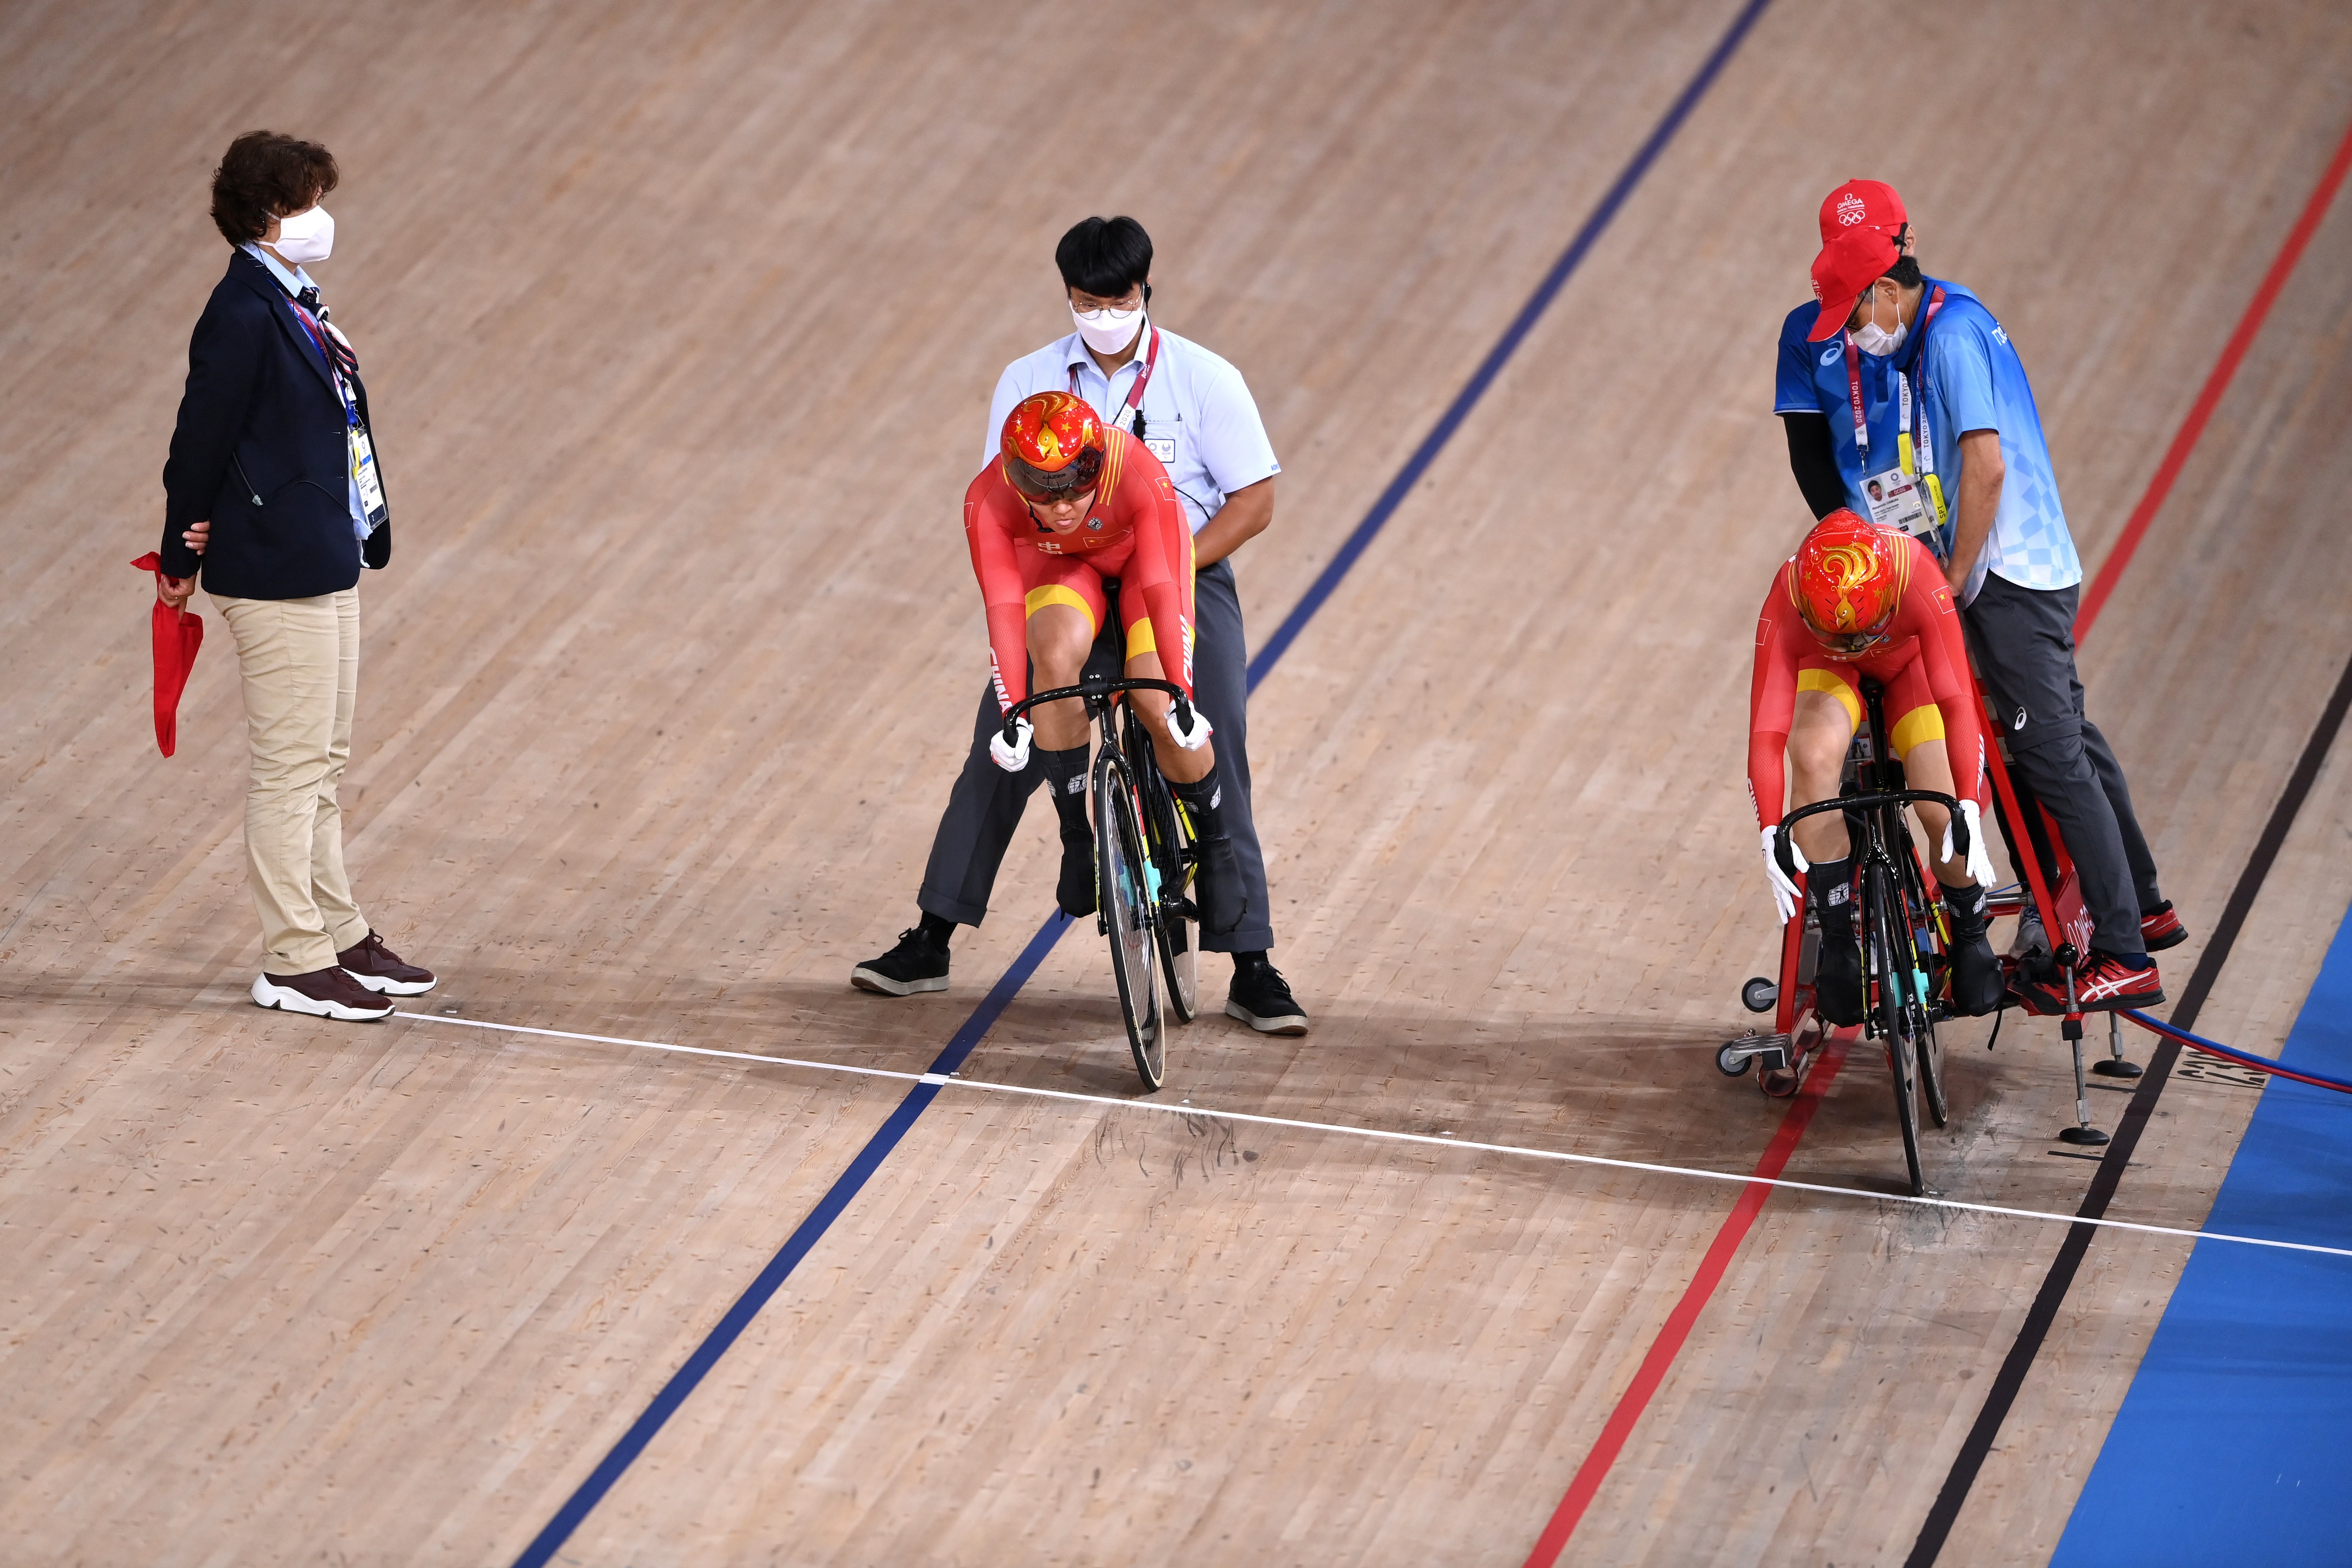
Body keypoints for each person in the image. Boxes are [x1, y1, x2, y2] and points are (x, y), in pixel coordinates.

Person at [855, 216, 1306, 1034]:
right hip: (1063, 571)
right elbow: (1010, 501)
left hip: (1181, 566)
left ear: (1145, 294)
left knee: (1214, 727)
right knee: (1008, 722)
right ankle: (933, 935)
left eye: (1119, 299)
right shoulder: (1025, 380)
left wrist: (1172, 561)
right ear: (1068, 298)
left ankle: (1253, 959)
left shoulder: (1204, 379)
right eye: (1089, 301)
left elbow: (1258, 499)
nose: (1104, 313)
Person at [1772, 180, 2182, 1014]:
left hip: (2010, 576)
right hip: (2021, 565)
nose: (1856, 332)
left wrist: (1952, 578)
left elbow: (1986, 467)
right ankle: (2142, 901)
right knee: (2071, 738)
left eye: (1857, 314)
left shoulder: (1950, 337)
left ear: (1887, 288)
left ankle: (2123, 950)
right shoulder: (1939, 318)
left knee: (2052, 759)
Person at [154, 130, 434, 1023]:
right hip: (272, 568)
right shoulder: (240, 314)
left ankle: (339, 930)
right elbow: (198, 441)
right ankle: (293, 956)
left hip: (321, 552)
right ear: (270, 216)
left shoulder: (293, 299)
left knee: (324, 760)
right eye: (310, 200)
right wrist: (178, 551)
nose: (323, 216)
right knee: (288, 769)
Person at [958, 389, 1245, 930]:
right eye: (1042, 493)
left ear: (1098, 464)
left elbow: (1164, 586)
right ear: (1014, 477)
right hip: (1061, 571)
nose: (1062, 506)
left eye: (1075, 486)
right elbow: (1001, 605)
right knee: (1051, 658)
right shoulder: (987, 498)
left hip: (1143, 565)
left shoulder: (1136, 470)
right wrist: (1013, 711)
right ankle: (1076, 838)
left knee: (1155, 701)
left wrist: (1180, 690)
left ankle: (1217, 846)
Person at [1751, 511, 2006, 1025]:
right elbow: (1766, 733)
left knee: (1942, 807)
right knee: (1813, 756)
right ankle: (1842, 938)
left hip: (1909, 668)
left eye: (1863, 634)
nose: (1855, 647)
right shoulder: (1786, 597)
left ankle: (1969, 930)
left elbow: (1958, 703)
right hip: (1831, 678)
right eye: (1840, 635)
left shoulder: (1917, 577)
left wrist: (1967, 806)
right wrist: (1771, 829)